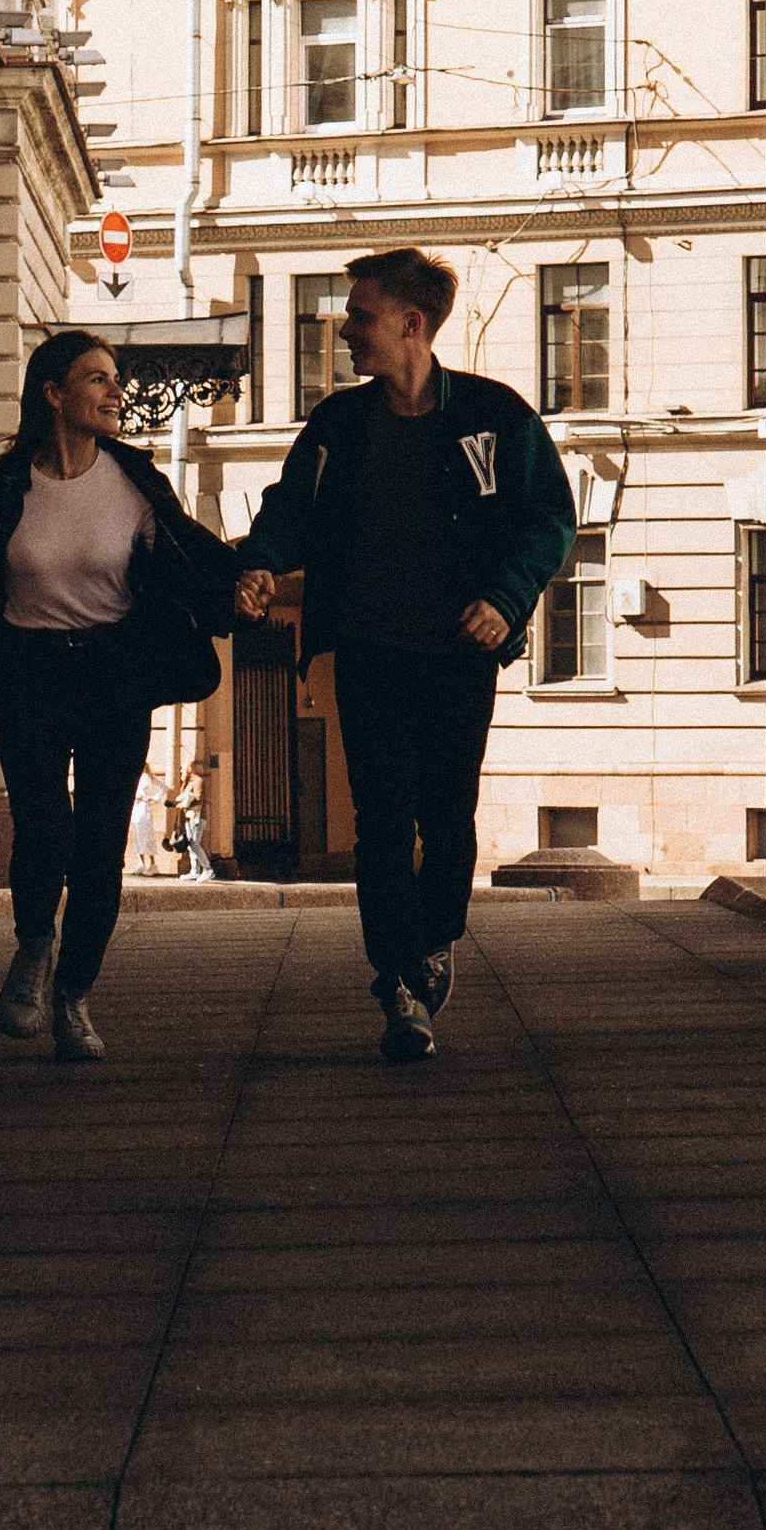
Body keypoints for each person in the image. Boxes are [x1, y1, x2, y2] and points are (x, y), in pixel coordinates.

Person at [234, 245, 575, 1064]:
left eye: (360, 315)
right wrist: (260, 560)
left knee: (448, 819)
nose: (345, 328)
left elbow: (550, 519)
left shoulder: (494, 416)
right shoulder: (338, 425)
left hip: (456, 654)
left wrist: (506, 598)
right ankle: (398, 978)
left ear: (411, 325)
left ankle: (436, 940)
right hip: (370, 651)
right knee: (381, 824)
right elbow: (290, 507)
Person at [0, 329, 235, 1060]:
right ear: (54, 393)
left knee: (99, 846)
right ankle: (34, 945)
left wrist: (246, 586)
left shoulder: (135, 481)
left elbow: (193, 557)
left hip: (113, 675)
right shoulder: (1, 490)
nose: (114, 392)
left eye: (115, 379)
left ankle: (74, 997)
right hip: (31, 674)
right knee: (41, 828)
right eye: (96, 379)